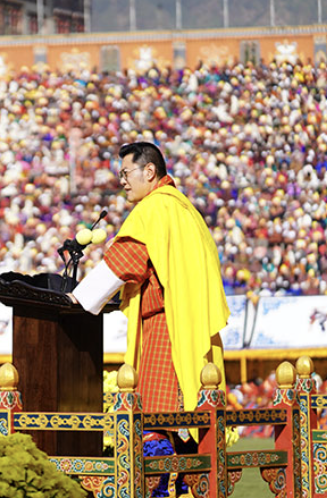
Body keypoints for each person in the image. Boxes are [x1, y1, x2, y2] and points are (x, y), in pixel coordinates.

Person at [69, 142, 228, 439]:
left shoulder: (155, 207)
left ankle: (157, 486)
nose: (123, 182)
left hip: (165, 327)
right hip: (191, 324)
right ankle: (185, 486)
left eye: (126, 173)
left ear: (150, 171)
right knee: (192, 414)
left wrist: (77, 298)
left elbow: (126, 260)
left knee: (156, 416)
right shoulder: (185, 208)